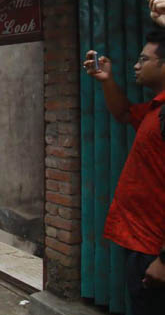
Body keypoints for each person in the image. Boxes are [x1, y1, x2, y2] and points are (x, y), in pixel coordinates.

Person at [83, 30, 165, 315]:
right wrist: (107, 81)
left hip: (156, 247)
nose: (136, 65)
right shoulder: (156, 109)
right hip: (141, 242)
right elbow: (124, 113)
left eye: (144, 59)